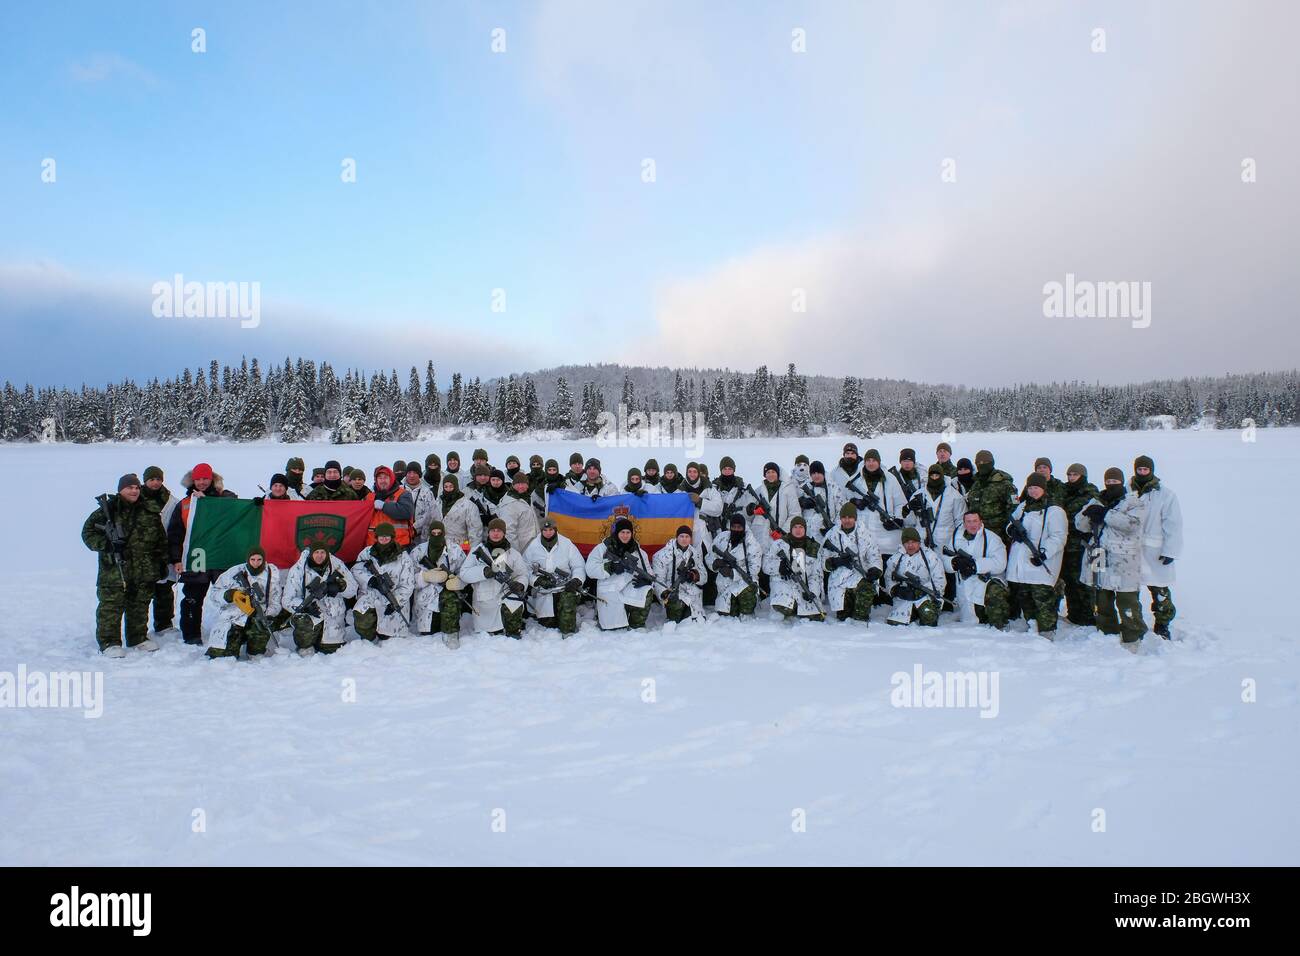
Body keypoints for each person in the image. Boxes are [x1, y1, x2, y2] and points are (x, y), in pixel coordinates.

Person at [81, 473, 168, 656]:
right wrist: (107, 545)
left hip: (144, 568)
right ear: (121, 490)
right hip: (114, 570)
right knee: (111, 605)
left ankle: (138, 637)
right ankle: (109, 642)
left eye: (137, 488)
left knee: (139, 604)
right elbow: (88, 533)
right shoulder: (108, 510)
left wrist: (161, 562)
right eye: (130, 487)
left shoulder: (148, 511)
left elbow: (160, 539)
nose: (134, 491)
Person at [1074, 467, 1148, 650]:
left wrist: (1106, 514)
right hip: (1099, 555)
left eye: (1115, 481)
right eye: (1108, 481)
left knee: (1127, 600)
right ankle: (1108, 635)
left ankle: (1134, 635)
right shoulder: (1096, 500)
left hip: (1124, 559)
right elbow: (1080, 525)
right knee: (1101, 598)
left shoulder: (1134, 502)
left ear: (1121, 482)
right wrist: (1088, 513)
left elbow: (1132, 524)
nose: (1111, 484)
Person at [167, 462, 238, 645]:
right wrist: (176, 558)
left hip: (221, 556)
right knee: (193, 597)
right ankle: (191, 635)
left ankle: (232, 632)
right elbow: (175, 534)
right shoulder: (184, 504)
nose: (201, 482)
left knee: (229, 597)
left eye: (205, 478)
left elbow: (235, 508)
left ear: (212, 479)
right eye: (198, 479)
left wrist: (207, 501)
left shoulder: (224, 497)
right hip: (196, 556)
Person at [1006, 473, 1068, 639]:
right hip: (1021, 559)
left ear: (1043, 489)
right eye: (1030, 488)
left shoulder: (1054, 510)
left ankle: (1047, 631)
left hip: (1040, 560)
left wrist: (1044, 553)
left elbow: (1058, 537)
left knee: (1043, 598)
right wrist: (1012, 530)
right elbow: (1011, 523)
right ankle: (1032, 624)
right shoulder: (1024, 506)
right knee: (1025, 595)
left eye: (1036, 488)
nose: (1033, 491)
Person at [203, 545, 283, 659]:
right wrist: (230, 594)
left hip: (257, 616)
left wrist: (267, 614)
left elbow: (275, 602)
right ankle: (234, 642)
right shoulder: (234, 572)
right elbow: (214, 593)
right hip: (234, 617)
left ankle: (254, 650)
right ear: (248, 559)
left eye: (259, 559)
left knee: (262, 628)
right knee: (221, 656)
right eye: (252, 559)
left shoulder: (271, 574)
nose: (256, 563)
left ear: (264, 560)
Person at [458, 518, 529, 637]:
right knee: (488, 631)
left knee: (514, 604)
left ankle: (512, 628)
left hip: (505, 596)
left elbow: (522, 574)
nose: (496, 533)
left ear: (504, 533)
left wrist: (520, 584)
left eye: (499, 531)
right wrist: (484, 572)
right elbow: (464, 574)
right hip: (484, 601)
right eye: (493, 530)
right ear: (488, 532)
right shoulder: (478, 551)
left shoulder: (513, 554)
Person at [281, 544, 356, 655]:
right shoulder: (298, 569)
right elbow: (287, 600)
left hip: (333, 615)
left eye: (322, 552)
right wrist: (305, 607)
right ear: (311, 554)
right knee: (304, 627)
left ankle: (323, 642)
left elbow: (353, 590)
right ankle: (306, 646)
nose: (319, 556)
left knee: (332, 651)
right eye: (316, 552)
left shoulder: (337, 566)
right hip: (311, 614)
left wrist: (341, 586)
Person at [942, 510, 1010, 629]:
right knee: (971, 616)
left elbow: (1000, 563)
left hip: (985, 582)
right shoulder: (955, 538)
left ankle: (999, 627)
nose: (972, 525)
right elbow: (944, 560)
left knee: (995, 594)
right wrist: (955, 562)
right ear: (964, 523)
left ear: (980, 522)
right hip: (965, 586)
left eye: (975, 521)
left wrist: (975, 566)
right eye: (968, 521)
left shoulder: (992, 539)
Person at [586, 517, 656, 631]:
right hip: (609, 588)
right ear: (616, 533)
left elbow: (648, 570)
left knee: (647, 590)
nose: (625, 535)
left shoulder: (638, 551)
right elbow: (590, 569)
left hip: (629, 585)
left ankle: (636, 625)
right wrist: (610, 567)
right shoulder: (602, 548)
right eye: (622, 532)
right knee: (611, 626)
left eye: (628, 532)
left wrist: (647, 580)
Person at [912, 463, 965, 609]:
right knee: (925, 570)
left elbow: (961, 521)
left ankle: (947, 602)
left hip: (945, 539)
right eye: (932, 475)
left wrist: (956, 541)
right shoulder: (919, 494)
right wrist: (911, 509)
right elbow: (909, 521)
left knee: (946, 570)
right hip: (923, 538)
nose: (934, 478)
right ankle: (925, 601)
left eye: (937, 475)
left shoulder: (954, 496)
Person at [523, 517, 587, 636]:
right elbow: (524, 568)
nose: (548, 533)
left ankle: (568, 629)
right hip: (544, 591)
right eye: (545, 530)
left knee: (566, 624)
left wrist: (577, 580)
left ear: (556, 530)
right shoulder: (532, 546)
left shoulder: (566, 543)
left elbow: (578, 565)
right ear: (541, 531)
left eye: (551, 529)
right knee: (549, 625)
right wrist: (537, 581)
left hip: (565, 589)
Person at [351, 523, 415, 642]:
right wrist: (370, 579)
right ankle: (368, 639)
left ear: (392, 537)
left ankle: (382, 633)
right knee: (361, 616)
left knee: (388, 636)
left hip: (393, 597)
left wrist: (396, 602)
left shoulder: (403, 557)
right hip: (371, 595)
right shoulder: (367, 552)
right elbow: (355, 569)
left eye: (387, 536)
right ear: (376, 537)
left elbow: (408, 585)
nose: (384, 539)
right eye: (381, 536)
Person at [822, 502, 883, 624]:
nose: (847, 520)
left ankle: (861, 616)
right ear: (840, 519)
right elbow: (823, 561)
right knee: (843, 618)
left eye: (850, 517)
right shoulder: (832, 535)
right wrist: (836, 562)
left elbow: (874, 554)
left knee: (861, 614)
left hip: (860, 575)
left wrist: (875, 569)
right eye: (844, 517)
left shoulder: (865, 534)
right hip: (839, 580)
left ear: (855, 518)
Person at [411, 520, 466, 646]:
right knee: (428, 635)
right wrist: (424, 577)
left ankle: (451, 633)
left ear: (444, 533)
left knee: (451, 602)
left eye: (439, 533)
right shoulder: (418, 551)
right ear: (429, 534)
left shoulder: (455, 550)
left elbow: (464, 571)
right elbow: (407, 578)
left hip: (448, 595)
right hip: (426, 598)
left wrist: (458, 582)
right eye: (433, 533)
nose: (436, 535)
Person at [1059, 463, 1101, 626]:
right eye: (1069, 475)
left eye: (1074, 475)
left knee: (1083, 582)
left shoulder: (1090, 493)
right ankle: (1074, 613)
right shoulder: (1065, 492)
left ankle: (1088, 615)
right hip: (1066, 543)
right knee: (1069, 580)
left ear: (1082, 476)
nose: (1071, 478)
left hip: (1083, 544)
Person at [140, 465, 179, 634]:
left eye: (158, 479)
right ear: (145, 481)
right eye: (151, 479)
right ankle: (138, 628)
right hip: (142, 552)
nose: (155, 483)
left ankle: (164, 624)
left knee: (164, 589)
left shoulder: (171, 501)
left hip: (164, 551)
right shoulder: (136, 498)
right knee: (143, 592)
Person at [764, 516, 825, 621]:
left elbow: (816, 575)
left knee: (816, 616)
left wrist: (812, 592)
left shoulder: (813, 548)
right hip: (784, 585)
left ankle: (799, 606)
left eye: (801, 527)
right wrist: (779, 567)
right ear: (791, 529)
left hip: (804, 587)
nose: (798, 530)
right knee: (783, 607)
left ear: (805, 529)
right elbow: (765, 566)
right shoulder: (779, 544)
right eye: (795, 527)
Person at [883, 528, 947, 627]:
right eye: (907, 542)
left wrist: (920, 591)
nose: (910, 545)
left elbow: (940, 580)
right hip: (904, 598)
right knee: (895, 623)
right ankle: (913, 613)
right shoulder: (895, 559)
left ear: (919, 542)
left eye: (913, 542)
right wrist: (896, 590)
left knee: (929, 619)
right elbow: (888, 577)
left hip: (926, 597)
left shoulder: (931, 557)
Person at [707, 513, 761, 618]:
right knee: (726, 613)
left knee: (746, 608)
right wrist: (715, 563)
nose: (736, 529)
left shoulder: (752, 544)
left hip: (744, 582)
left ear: (744, 528)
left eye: (739, 527)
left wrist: (733, 573)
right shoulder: (722, 538)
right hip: (724, 584)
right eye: (733, 527)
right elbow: (709, 556)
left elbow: (755, 568)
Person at [652, 525, 706, 623]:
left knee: (695, 621)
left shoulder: (695, 553)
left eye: (687, 536)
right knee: (676, 621)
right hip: (672, 592)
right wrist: (664, 593)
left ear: (690, 538)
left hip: (692, 593)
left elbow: (704, 576)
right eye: (681, 536)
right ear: (677, 537)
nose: (684, 539)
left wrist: (693, 576)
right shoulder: (661, 555)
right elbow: (658, 580)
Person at [965, 450, 1016, 547]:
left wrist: (1008, 528)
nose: (982, 465)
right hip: (977, 533)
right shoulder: (976, 484)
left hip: (999, 535)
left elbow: (1015, 507)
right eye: (979, 463)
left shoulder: (1004, 483)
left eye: (985, 462)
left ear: (992, 463)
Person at [366, 466, 416, 548]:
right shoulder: (369, 497)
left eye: (385, 478)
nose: (383, 481)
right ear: (376, 480)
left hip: (399, 547)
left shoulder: (403, 494)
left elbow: (406, 512)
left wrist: (384, 506)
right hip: (374, 548)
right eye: (380, 478)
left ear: (391, 479)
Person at [793, 460, 841, 541]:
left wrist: (835, 528)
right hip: (808, 532)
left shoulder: (833, 489)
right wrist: (802, 503)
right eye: (813, 473)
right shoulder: (804, 489)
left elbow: (840, 511)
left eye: (819, 473)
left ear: (823, 473)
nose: (816, 476)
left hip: (828, 531)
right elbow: (795, 510)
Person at [497, 471, 540, 552]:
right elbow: (508, 532)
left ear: (527, 485)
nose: (521, 486)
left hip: (533, 548)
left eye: (524, 483)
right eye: (518, 483)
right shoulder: (509, 504)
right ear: (513, 485)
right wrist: (516, 554)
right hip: (521, 550)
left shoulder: (527, 498)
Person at [438, 474, 481, 552]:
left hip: (460, 549)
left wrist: (470, 552)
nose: (448, 489)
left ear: (456, 487)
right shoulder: (437, 503)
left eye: (451, 486)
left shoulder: (468, 505)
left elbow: (475, 532)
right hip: (439, 547)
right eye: (446, 487)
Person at [403, 461, 439, 544]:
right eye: (409, 472)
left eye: (415, 472)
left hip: (422, 537)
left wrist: (415, 527)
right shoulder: (399, 491)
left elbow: (432, 514)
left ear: (419, 475)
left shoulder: (427, 493)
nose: (412, 475)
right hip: (402, 535)